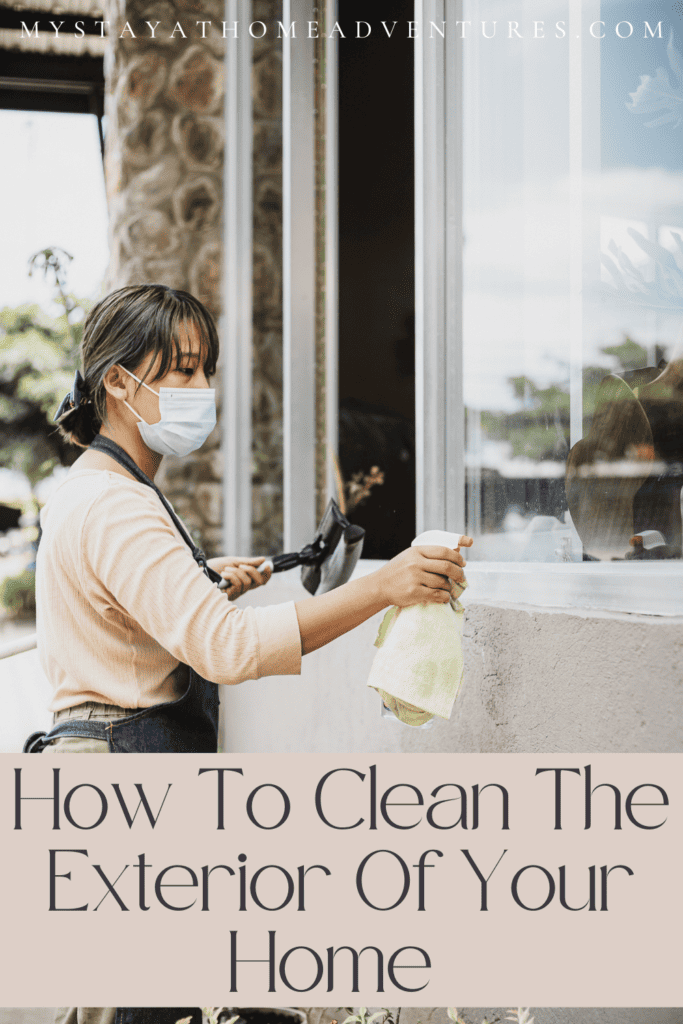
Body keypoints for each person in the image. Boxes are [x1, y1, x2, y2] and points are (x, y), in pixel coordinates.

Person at [27, 283, 468, 756]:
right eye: (184, 369)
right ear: (116, 381)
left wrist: (199, 583)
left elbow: (114, 620)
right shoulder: (114, 502)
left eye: (207, 371)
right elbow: (228, 645)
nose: (204, 389)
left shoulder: (90, 486)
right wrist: (384, 585)